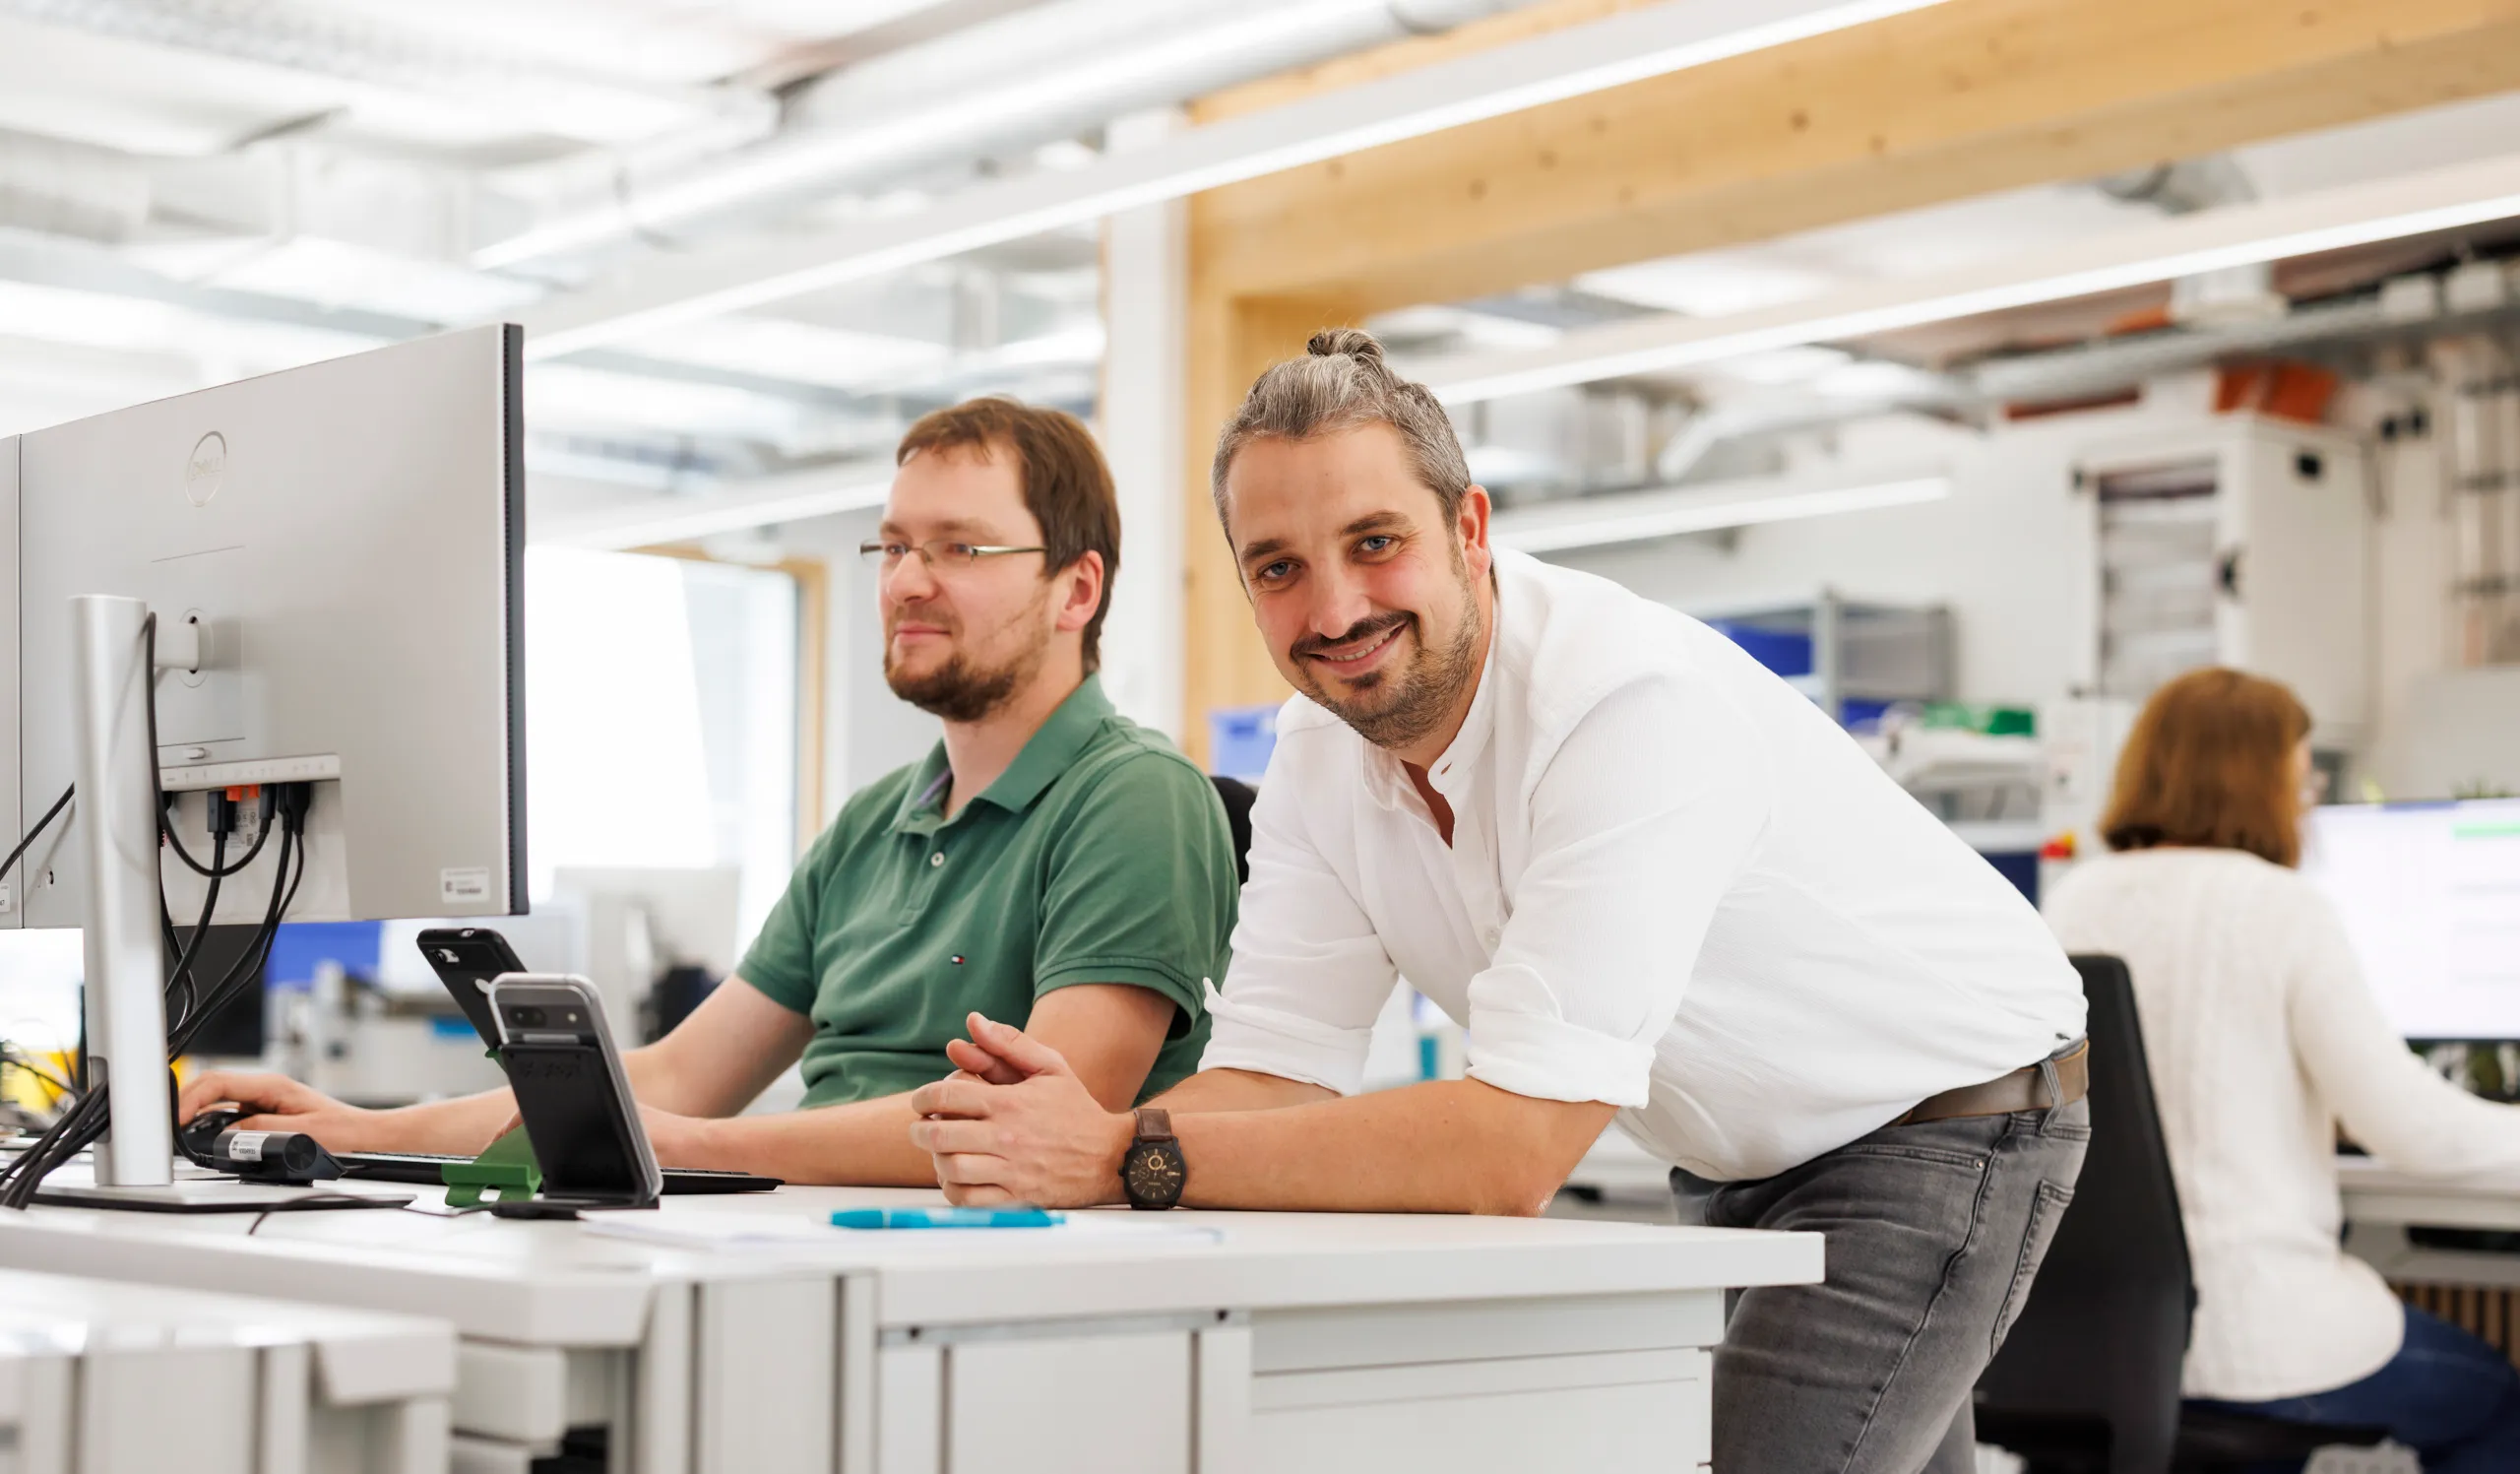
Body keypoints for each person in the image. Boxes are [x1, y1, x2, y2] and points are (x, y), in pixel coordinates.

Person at [906, 329, 2090, 1473]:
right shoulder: (1318, 752)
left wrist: (1126, 1157)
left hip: (1940, 1125)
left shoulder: (1621, 704)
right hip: (1737, 1154)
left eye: (1375, 542)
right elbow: (1272, 1072)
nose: (1332, 612)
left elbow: (1510, 1149)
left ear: (1468, 528)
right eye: (1279, 569)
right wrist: (1045, 1146)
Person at [176, 398, 1238, 1186]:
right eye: (896, 546)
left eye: (960, 547)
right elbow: (681, 1077)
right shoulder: (873, 826)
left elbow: (1037, 1125)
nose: (909, 581)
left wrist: (688, 1150)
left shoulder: (1134, 799)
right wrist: (352, 1124)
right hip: (815, 1238)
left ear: (1077, 588)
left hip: (987, 1275)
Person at [2044, 667, 2520, 1473]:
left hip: (2095, 1348)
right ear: (2254, 780)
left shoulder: (2071, 900)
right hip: (2253, 1344)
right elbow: (2409, 1128)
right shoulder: (2280, 905)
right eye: (2302, 776)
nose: (2310, 798)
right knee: (2498, 1400)